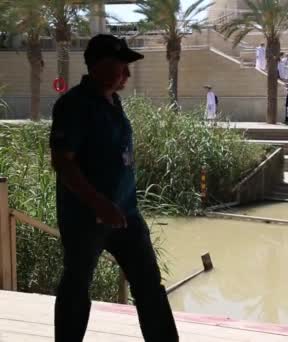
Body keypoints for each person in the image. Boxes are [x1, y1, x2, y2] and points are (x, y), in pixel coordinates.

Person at [50, 34, 179, 342]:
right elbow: (63, 162)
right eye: (122, 66)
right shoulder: (73, 105)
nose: (127, 74)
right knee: (77, 286)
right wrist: (99, 205)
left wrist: (117, 206)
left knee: (149, 285)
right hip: (86, 217)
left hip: (126, 215)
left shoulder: (114, 101)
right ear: (99, 65)